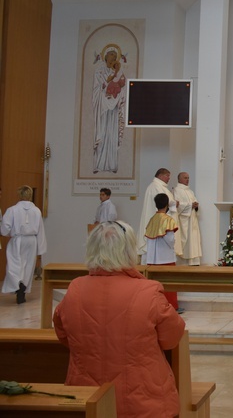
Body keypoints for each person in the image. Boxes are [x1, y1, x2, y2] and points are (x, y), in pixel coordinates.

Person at [53, 220, 185, 418]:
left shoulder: (75, 289)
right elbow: (172, 338)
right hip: (143, 402)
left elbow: (63, 335)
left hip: (88, 399)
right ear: (128, 251)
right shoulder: (148, 291)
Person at [1, 186, 47, 304]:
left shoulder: (12, 210)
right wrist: (40, 248)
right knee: (28, 266)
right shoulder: (36, 210)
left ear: (20, 195)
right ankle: (23, 289)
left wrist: (5, 232)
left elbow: (5, 228)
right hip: (32, 240)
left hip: (18, 239)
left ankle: (18, 284)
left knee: (14, 264)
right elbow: (40, 229)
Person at [92, 44, 126, 174]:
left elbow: (123, 86)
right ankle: (98, 164)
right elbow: (97, 88)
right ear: (105, 56)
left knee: (112, 134)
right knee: (102, 133)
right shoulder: (99, 71)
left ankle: (112, 164)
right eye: (111, 54)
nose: (113, 57)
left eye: (115, 55)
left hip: (114, 107)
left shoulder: (118, 72)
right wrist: (108, 83)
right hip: (102, 108)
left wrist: (118, 93)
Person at [144, 193, 180, 311]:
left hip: (152, 259)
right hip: (166, 258)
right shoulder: (168, 220)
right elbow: (170, 240)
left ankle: (155, 307)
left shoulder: (152, 219)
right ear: (166, 204)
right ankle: (170, 307)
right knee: (169, 284)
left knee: (155, 286)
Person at [137, 168, 180, 261]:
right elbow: (162, 201)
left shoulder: (158, 186)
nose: (169, 178)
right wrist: (174, 203)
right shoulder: (156, 186)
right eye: (167, 176)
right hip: (159, 221)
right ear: (160, 176)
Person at [172, 172, 202, 265]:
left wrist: (196, 205)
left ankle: (194, 262)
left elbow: (194, 201)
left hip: (192, 219)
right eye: (185, 178)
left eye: (188, 178)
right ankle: (183, 263)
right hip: (184, 220)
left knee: (193, 239)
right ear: (179, 179)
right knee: (185, 240)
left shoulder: (190, 191)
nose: (187, 179)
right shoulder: (176, 190)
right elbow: (177, 205)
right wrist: (190, 205)